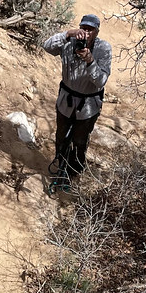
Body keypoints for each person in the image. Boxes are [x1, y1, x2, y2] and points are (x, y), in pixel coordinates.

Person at [43, 13, 112, 190]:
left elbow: (101, 81)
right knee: (61, 135)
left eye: (91, 30)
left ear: (97, 32)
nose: (86, 33)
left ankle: (74, 171)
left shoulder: (104, 49)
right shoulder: (69, 42)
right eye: (84, 28)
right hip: (66, 100)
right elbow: (47, 47)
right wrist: (67, 34)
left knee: (80, 140)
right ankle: (60, 164)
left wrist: (90, 61)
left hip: (88, 105)